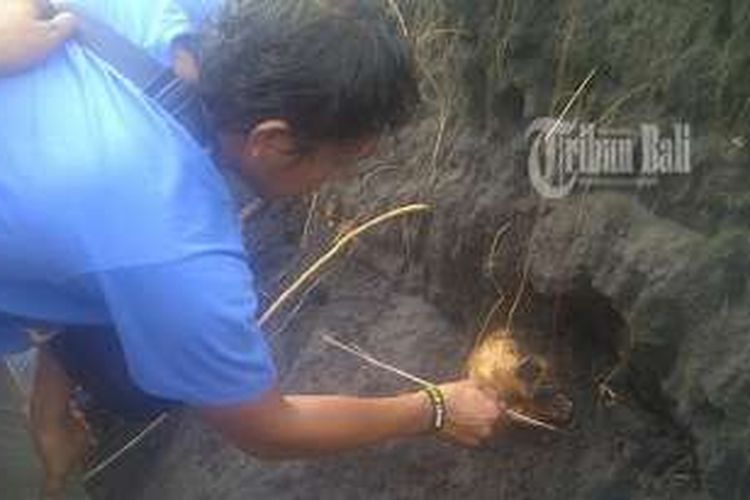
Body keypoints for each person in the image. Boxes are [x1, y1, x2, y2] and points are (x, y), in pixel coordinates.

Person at [0, 0, 503, 497]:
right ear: (274, 142)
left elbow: (76, 214)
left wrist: (49, 403)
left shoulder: (172, 18)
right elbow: (267, 429)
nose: (340, 180)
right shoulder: (179, 252)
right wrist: (433, 408)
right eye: (342, 162)